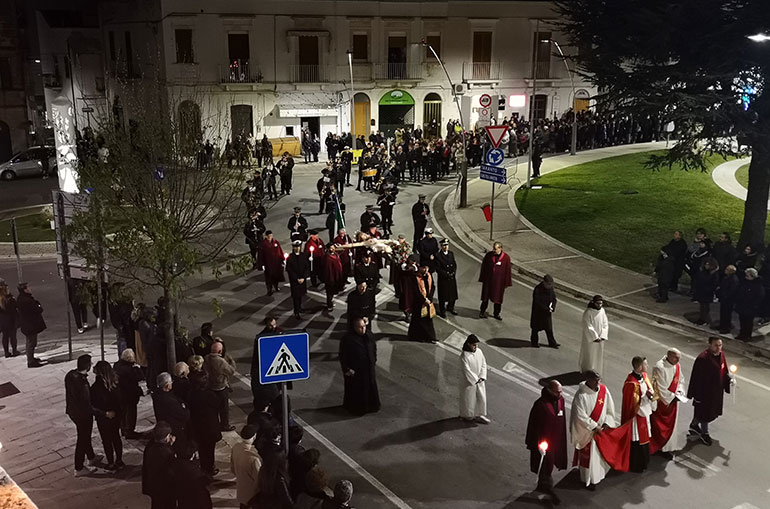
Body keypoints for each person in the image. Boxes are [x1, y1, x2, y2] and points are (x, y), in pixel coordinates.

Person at [569, 370, 617, 490]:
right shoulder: (581, 396)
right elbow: (579, 415)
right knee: (589, 458)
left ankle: (599, 476)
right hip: (588, 432)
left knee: (598, 457)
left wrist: (607, 422)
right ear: (588, 380)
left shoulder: (604, 391)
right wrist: (595, 426)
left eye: (599, 379)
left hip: (601, 430)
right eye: (595, 380)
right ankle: (587, 480)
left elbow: (610, 409)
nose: (598, 382)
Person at [525, 380, 568, 505]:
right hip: (543, 443)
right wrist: (536, 443)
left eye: (561, 391)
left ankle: (542, 486)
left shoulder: (561, 401)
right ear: (549, 390)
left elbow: (562, 419)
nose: (560, 394)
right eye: (557, 392)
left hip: (556, 440)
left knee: (548, 465)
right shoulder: (540, 405)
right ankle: (548, 491)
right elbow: (534, 426)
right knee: (544, 465)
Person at [687, 337, 733, 446]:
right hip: (704, 393)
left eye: (720, 345)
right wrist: (696, 395)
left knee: (707, 412)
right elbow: (696, 378)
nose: (718, 348)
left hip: (716, 392)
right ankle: (705, 433)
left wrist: (729, 379)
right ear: (710, 345)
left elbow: (723, 370)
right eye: (716, 345)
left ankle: (694, 425)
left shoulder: (721, 355)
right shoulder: (703, 358)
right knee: (704, 413)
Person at [65, 354, 102, 476]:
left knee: (84, 435)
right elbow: (87, 405)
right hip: (83, 415)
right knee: (83, 438)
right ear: (87, 366)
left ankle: (91, 457)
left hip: (73, 411)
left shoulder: (70, 375)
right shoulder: (83, 384)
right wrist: (103, 413)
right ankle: (79, 467)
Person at [620, 356, 656, 472]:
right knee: (637, 441)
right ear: (640, 367)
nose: (647, 366)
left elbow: (649, 389)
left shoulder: (644, 376)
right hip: (637, 416)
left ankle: (644, 461)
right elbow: (632, 403)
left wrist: (651, 394)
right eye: (645, 364)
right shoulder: (631, 383)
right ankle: (636, 464)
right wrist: (646, 397)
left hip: (645, 413)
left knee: (645, 438)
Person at [339, 317, 380, 415]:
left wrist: (373, 360)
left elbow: (373, 349)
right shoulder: (348, 339)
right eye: (360, 327)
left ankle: (371, 406)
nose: (363, 330)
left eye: (364, 327)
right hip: (356, 371)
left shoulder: (369, 335)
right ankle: (358, 409)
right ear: (355, 327)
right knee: (357, 391)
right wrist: (346, 369)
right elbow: (343, 355)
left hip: (368, 369)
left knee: (370, 387)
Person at [650, 348, 686, 455]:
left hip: (673, 400)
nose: (678, 361)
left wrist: (679, 391)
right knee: (659, 427)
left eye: (679, 358)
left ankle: (668, 447)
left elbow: (681, 380)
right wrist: (672, 397)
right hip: (663, 402)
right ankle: (659, 447)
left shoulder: (677, 366)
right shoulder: (659, 367)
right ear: (669, 355)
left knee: (672, 426)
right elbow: (660, 388)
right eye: (676, 358)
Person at [90, 360, 124, 470]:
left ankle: (110, 462)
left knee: (106, 440)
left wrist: (104, 413)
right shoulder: (116, 383)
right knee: (116, 437)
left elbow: (93, 405)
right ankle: (119, 460)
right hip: (116, 416)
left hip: (104, 418)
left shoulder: (95, 387)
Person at [188, 372, 223, 476]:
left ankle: (204, 467)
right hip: (209, 428)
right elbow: (218, 405)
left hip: (197, 427)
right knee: (209, 449)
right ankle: (209, 468)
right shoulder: (209, 395)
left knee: (202, 449)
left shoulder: (191, 394)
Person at [142, 421, 177, 509]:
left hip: (153, 485)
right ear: (165, 437)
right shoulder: (166, 452)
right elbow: (171, 471)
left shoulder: (150, 446)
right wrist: (171, 447)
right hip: (165, 488)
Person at [251, 316, 283, 412]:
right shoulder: (261, 337)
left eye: (274, 324)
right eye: (270, 325)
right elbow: (256, 355)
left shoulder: (280, 332)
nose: (273, 327)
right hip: (268, 366)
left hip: (279, 365)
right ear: (266, 325)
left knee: (278, 386)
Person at [152, 372, 190, 451]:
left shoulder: (156, 394)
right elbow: (184, 415)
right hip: (174, 428)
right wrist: (184, 407)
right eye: (171, 382)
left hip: (163, 422)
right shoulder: (169, 401)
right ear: (167, 385)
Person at [204, 341, 236, 432]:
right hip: (220, 387)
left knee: (213, 407)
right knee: (224, 408)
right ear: (220, 351)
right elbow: (231, 371)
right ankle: (225, 425)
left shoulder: (207, 358)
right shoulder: (220, 361)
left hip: (210, 386)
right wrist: (231, 361)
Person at [113, 348, 144, 439]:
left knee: (123, 413)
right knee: (131, 414)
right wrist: (138, 368)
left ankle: (123, 429)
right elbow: (140, 378)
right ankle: (130, 431)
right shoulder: (131, 370)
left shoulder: (117, 366)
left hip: (120, 395)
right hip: (130, 396)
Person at [478, 242, 513, 320]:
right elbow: (484, 267)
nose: (494, 250)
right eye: (493, 248)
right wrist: (482, 278)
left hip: (499, 283)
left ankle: (496, 313)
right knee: (485, 298)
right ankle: (482, 311)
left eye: (495, 249)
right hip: (488, 281)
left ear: (500, 248)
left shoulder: (506, 258)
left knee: (498, 299)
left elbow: (508, 271)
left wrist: (507, 283)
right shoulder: (488, 255)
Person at [231, 424, 262, 509]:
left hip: (241, 489)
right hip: (252, 494)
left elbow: (232, 468)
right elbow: (259, 479)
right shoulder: (253, 458)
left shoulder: (236, 447)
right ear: (254, 436)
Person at [459, 335, 489, 423]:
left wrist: (482, 376)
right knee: (469, 399)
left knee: (481, 398)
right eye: (474, 345)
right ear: (468, 344)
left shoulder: (479, 351)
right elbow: (466, 370)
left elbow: (484, 364)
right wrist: (475, 379)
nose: (476, 347)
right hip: (469, 382)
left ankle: (480, 414)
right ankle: (467, 415)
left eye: (476, 345)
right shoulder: (464, 356)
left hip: (479, 379)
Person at [16, 282, 45, 367]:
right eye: (28, 287)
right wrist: (39, 305)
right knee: (31, 343)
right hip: (30, 325)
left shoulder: (22, 298)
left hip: (28, 324)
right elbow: (38, 309)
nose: (30, 289)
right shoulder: (27, 300)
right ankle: (31, 362)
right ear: (25, 290)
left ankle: (31, 358)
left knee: (31, 342)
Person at [407, 265, 437, 343]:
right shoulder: (415, 277)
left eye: (426, 268)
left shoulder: (428, 276)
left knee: (428, 319)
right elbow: (415, 290)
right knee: (418, 320)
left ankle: (430, 336)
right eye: (423, 268)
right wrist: (423, 300)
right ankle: (418, 336)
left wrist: (429, 298)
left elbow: (432, 287)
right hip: (419, 302)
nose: (425, 269)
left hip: (428, 301)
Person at [579, 295, 608, 374]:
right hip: (590, 339)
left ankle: (596, 370)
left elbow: (605, 324)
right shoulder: (588, 312)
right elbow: (587, 325)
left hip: (600, 338)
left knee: (598, 355)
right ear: (594, 303)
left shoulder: (602, 311)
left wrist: (602, 336)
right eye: (598, 303)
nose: (599, 305)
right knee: (589, 354)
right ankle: (587, 370)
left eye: (601, 304)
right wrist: (595, 337)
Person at [530, 274, 559, 348]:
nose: (550, 286)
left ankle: (552, 343)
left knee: (549, 329)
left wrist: (552, 307)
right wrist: (546, 308)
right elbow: (537, 302)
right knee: (535, 328)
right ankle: (534, 342)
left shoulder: (550, 289)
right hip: (538, 313)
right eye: (548, 284)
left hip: (547, 313)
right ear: (544, 282)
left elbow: (554, 299)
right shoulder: (538, 289)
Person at [735, 267, 764, 341]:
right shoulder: (744, 282)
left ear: (752, 276)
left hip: (750, 307)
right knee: (742, 320)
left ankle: (747, 336)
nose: (745, 277)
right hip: (742, 305)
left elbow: (759, 297)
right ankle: (742, 334)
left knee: (748, 322)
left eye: (747, 275)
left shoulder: (758, 286)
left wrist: (754, 305)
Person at [286, 239, 311, 319]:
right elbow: (289, 270)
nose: (297, 248)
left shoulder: (303, 256)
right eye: (295, 247)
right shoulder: (290, 257)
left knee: (300, 295)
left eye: (298, 247)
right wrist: (297, 278)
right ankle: (296, 311)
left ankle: (300, 308)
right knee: (295, 297)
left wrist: (304, 277)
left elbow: (307, 267)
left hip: (302, 280)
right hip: (295, 281)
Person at [435, 238, 458, 317]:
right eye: (444, 245)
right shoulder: (438, 256)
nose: (446, 247)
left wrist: (453, 273)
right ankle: (442, 311)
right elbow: (438, 268)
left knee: (452, 294)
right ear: (441, 246)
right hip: (443, 279)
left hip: (451, 277)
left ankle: (451, 307)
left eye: (447, 245)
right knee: (443, 296)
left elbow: (454, 264)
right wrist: (446, 274)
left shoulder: (451, 254)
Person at [694, 258, 719, 325]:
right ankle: (701, 318)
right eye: (706, 264)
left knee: (705, 306)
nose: (706, 266)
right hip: (702, 290)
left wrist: (708, 289)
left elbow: (714, 284)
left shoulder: (714, 274)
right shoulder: (703, 272)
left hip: (707, 292)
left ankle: (704, 319)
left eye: (708, 264)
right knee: (702, 306)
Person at [261, 231, 286, 296]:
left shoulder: (276, 242)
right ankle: (269, 290)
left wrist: (282, 259)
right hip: (268, 264)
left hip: (276, 263)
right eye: (269, 236)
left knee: (276, 276)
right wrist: (262, 264)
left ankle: (276, 287)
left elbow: (280, 251)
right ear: (266, 236)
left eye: (271, 236)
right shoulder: (263, 244)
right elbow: (261, 255)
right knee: (269, 278)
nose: (270, 237)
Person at [716, 265, 740, 333]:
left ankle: (726, 327)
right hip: (724, 298)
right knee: (723, 313)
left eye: (727, 269)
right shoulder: (727, 277)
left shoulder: (733, 279)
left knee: (726, 314)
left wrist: (725, 296)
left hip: (728, 300)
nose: (725, 270)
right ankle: (722, 325)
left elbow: (732, 290)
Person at [0, 280, 19, 357]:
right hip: (10, 319)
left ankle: (6, 352)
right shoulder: (8, 298)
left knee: (5, 336)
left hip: (2, 320)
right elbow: (14, 307)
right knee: (13, 335)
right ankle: (14, 350)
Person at [324, 245, 345, 311]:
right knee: (330, 292)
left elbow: (342, 250)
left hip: (336, 275)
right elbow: (328, 269)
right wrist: (331, 278)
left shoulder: (336, 254)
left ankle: (331, 301)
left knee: (332, 291)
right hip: (331, 277)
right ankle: (329, 304)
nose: (333, 249)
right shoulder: (328, 257)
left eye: (333, 248)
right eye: (331, 248)